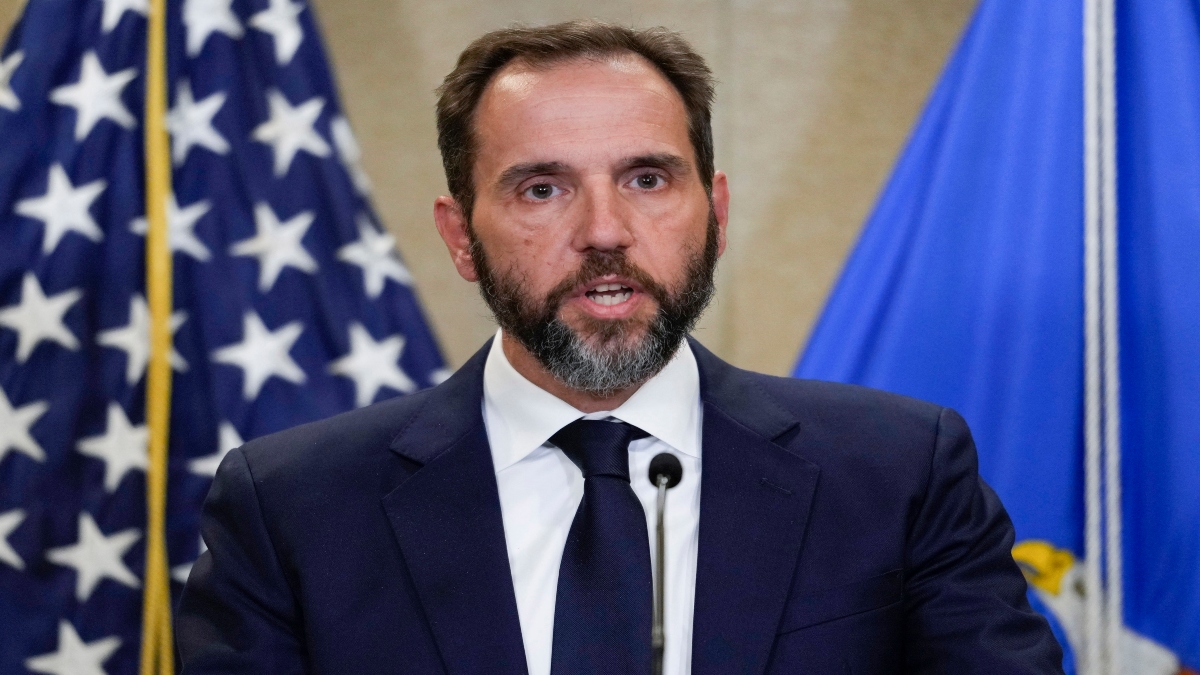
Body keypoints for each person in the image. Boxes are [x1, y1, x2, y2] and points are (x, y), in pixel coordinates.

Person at [176, 20, 1064, 675]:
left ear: (715, 214)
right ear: (460, 236)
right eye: (542, 188)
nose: (605, 230)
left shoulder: (900, 474)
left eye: (647, 178)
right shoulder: (292, 507)